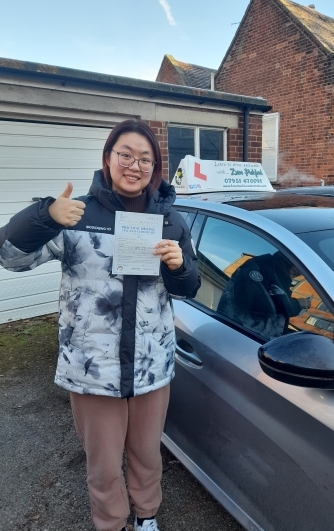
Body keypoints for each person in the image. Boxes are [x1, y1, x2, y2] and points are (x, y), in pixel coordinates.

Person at [0, 119, 200, 531]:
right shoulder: (75, 215)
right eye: (125, 154)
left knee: (147, 454)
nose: (134, 165)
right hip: (93, 368)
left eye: (145, 158)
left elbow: (190, 287)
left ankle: (147, 518)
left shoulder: (171, 220)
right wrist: (44, 214)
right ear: (107, 159)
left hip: (151, 366)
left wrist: (179, 268)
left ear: (155, 167)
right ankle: (111, 523)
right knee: (104, 465)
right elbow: (10, 257)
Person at [217, 251, 310, 340]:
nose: (301, 272)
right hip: (240, 335)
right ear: (289, 258)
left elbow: (277, 308)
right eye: (299, 265)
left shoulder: (278, 276)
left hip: (255, 338)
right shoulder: (261, 266)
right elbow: (255, 302)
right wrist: (297, 304)